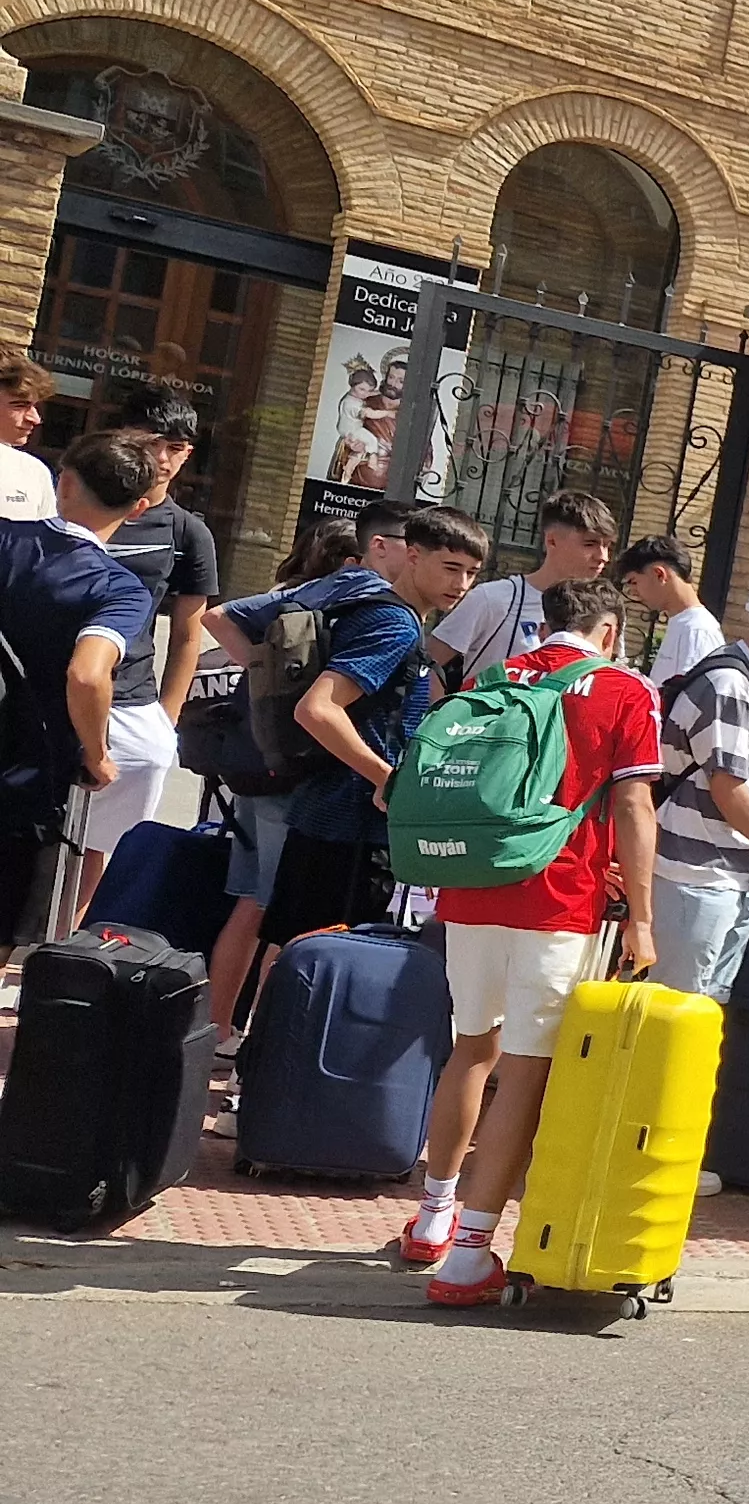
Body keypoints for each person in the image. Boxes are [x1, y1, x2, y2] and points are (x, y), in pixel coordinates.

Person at [415, 581, 664, 1300]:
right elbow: (634, 803)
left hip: (469, 887)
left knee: (470, 1048)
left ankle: (432, 1216)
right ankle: (469, 1254)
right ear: (610, 631)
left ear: (546, 623)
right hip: (559, 897)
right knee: (525, 1068)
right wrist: (642, 918)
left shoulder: (494, 678)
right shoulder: (623, 688)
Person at [214, 509, 484, 950]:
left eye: (472, 573)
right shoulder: (394, 624)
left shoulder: (374, 607)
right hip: (348, 826)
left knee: (297, 952)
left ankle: (262, 1022)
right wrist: (388, 779)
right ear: (413, 556)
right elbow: (318, 709)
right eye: (451, 568)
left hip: (324, 812)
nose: (462, 584)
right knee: (320, 956)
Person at [203, 515, 372, 1059]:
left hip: (249, 769)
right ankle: (254, 1040)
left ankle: (216, 1027)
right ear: (352, 564)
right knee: (277, 912)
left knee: (251, 903)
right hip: (289, 778)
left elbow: (219, 619)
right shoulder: (326, 612)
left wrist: (255, 662)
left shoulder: (280, 599)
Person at [0, 432, 163, 939]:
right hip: (24, 778)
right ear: (138, 508)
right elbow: (88, 674)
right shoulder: (118, 587)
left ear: (63, 482)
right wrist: (96, 753)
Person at [71, 395, 215, 926]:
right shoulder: (76, 502)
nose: (161, 458)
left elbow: (187, 635)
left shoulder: (187, 532)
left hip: (130, 692)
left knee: (104, 836)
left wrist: (168, 718)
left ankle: (63, 939)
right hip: (51, 678)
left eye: (174, 448)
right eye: (151, 443)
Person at [644, 573, 749, 1000]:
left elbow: (736, 771)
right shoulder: (729, 682)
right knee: (673, 1010)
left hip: (721, 872)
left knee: (696, 1013)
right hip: (691, 874)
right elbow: (727, 787)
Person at [429, 488, 616, 684]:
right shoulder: (495, 598)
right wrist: (439, 711)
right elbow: (429, 665)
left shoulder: (604, 613)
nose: (603, 557)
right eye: (590, 544)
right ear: (552, 541)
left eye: (607, 546)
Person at [617, 536, 722, 683]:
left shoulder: (697, 630)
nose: (633, 591)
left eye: (633, 582)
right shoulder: (682, 622)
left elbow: (691, 697)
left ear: (659, 574)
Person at [0, 352, 57, 522]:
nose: (35, 419)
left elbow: (43, 544)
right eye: (19, 405)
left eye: (34, 406)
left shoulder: (34, 472)